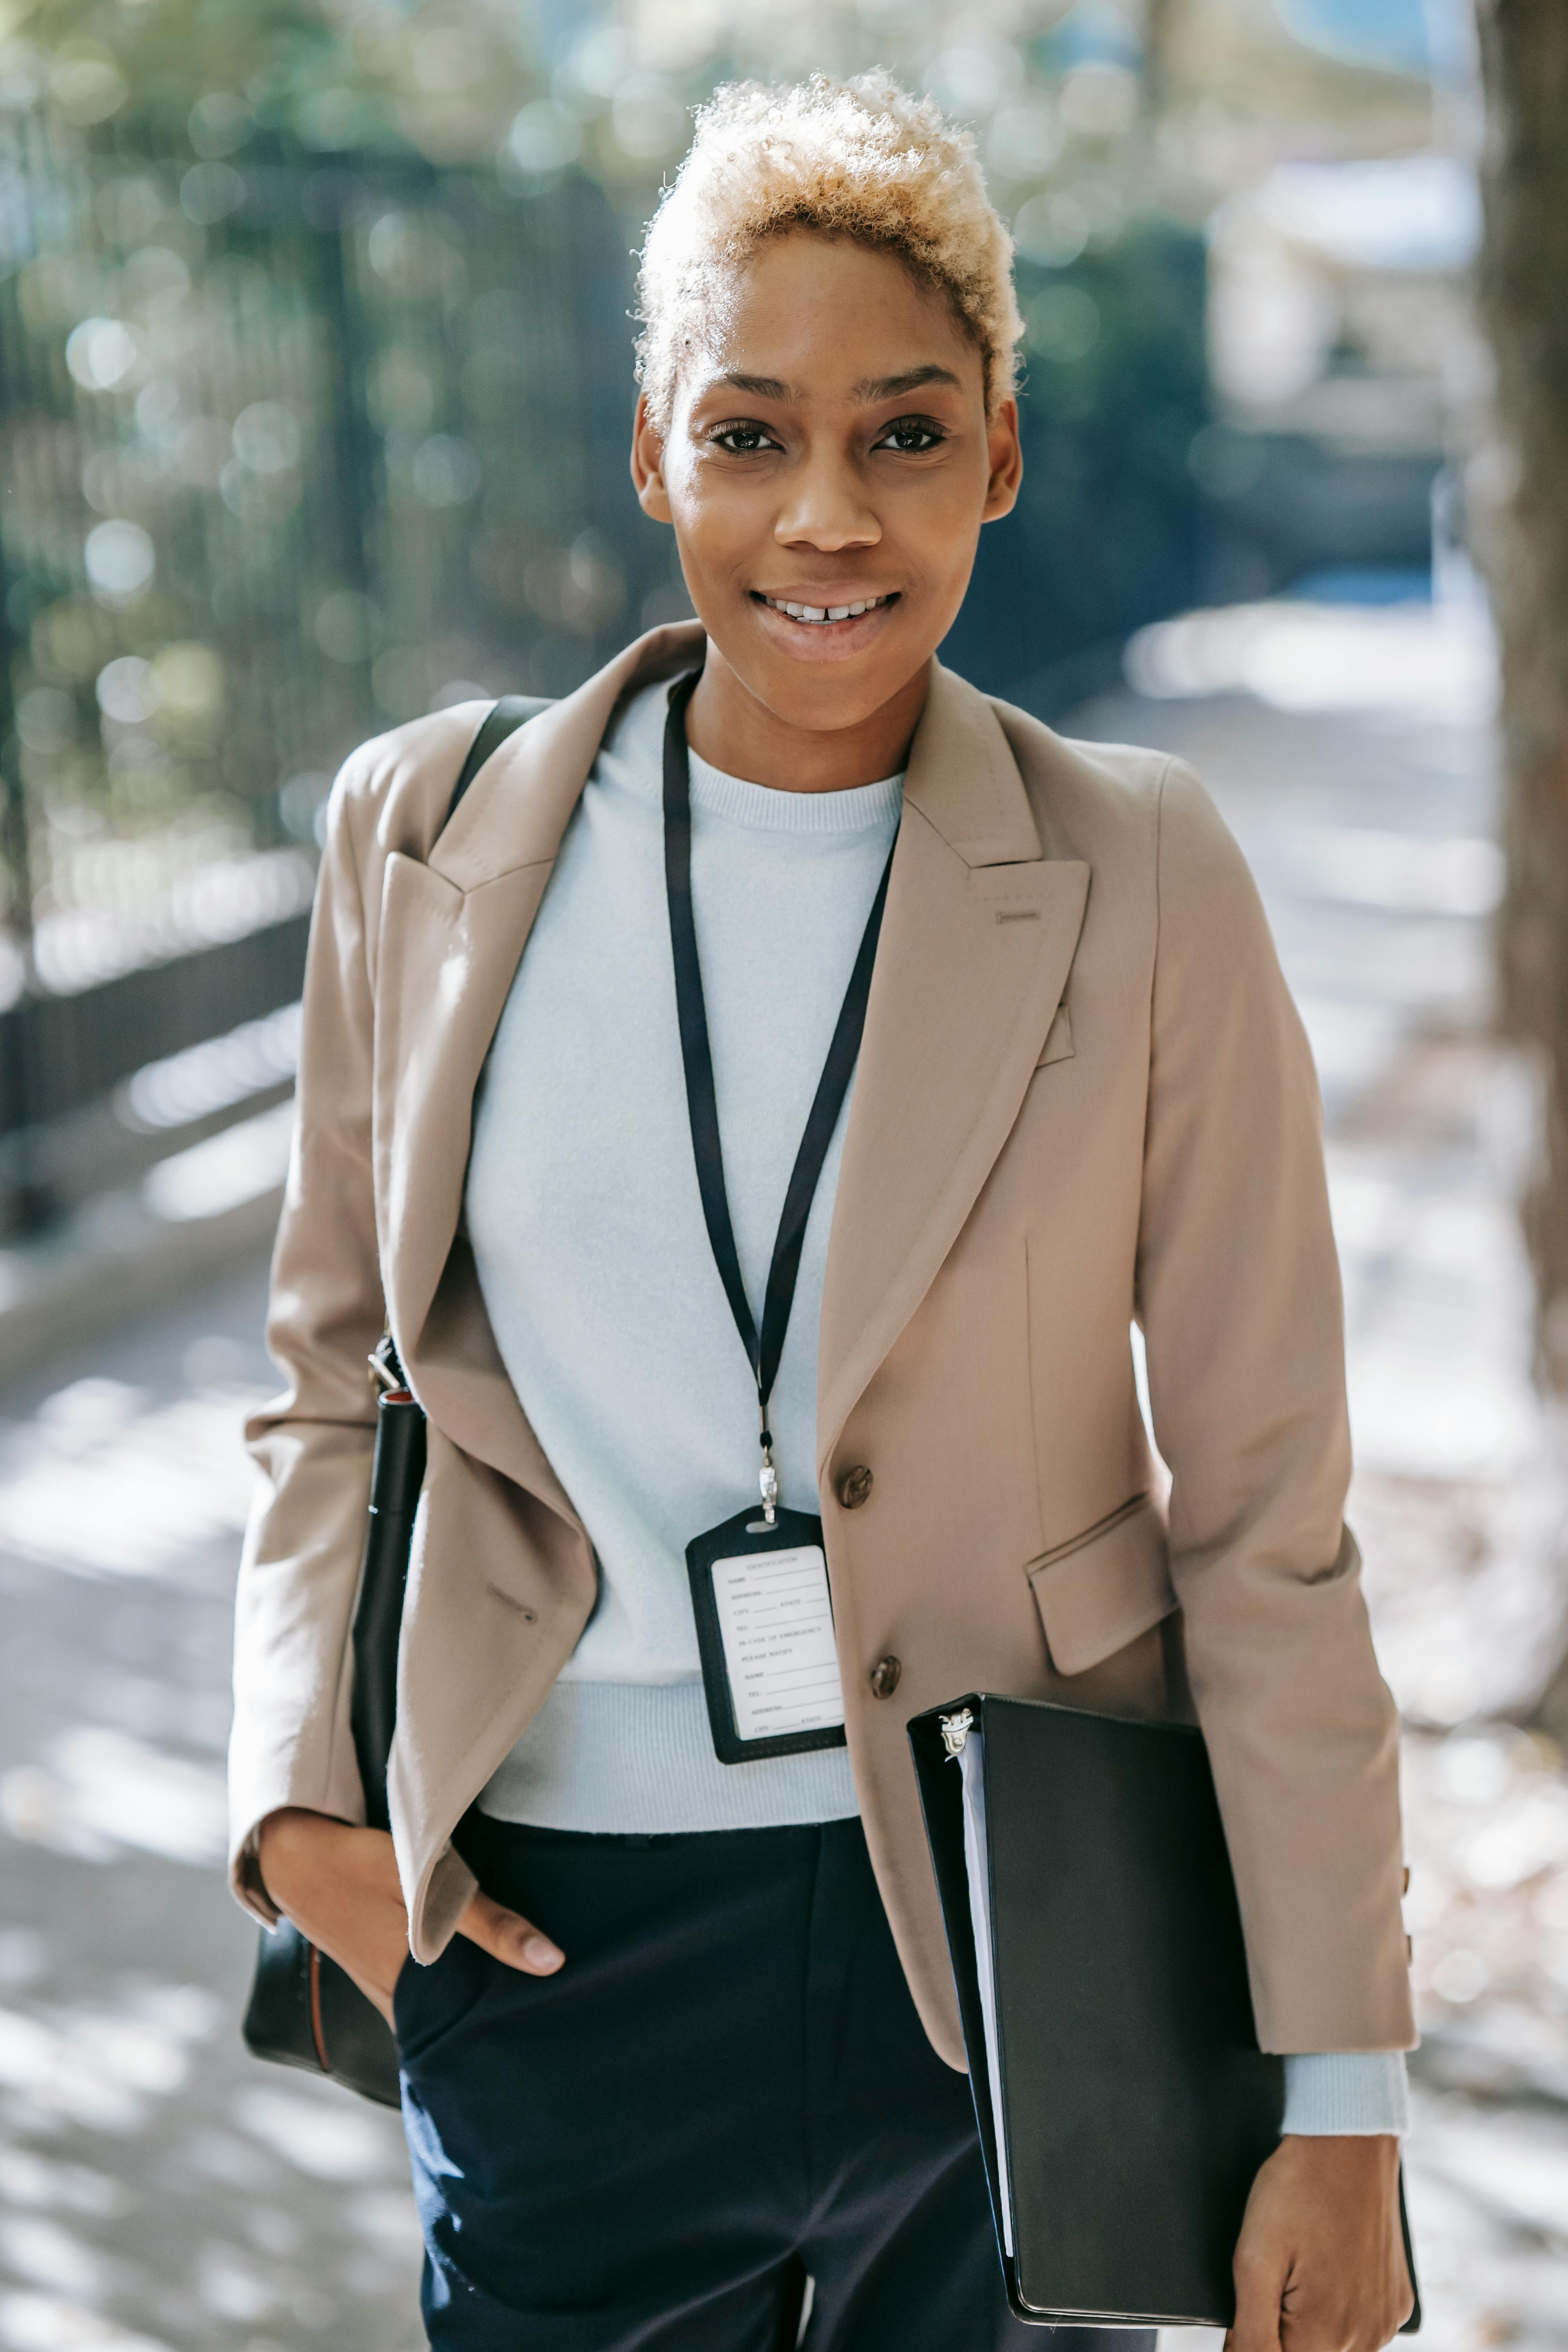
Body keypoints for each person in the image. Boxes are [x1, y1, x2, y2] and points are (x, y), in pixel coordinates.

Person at [229, 71, 1417, 2352]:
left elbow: (1267, 1506)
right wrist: (302, 1812)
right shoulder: (428, 836)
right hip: (548, 1943)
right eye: (752, 432)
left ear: (997, 457)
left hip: (1011, 1953)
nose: (824, 515)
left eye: (900, 431)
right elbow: (322, 1383)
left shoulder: (1140, 863)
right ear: (659, 447)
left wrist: (1339, 2091)